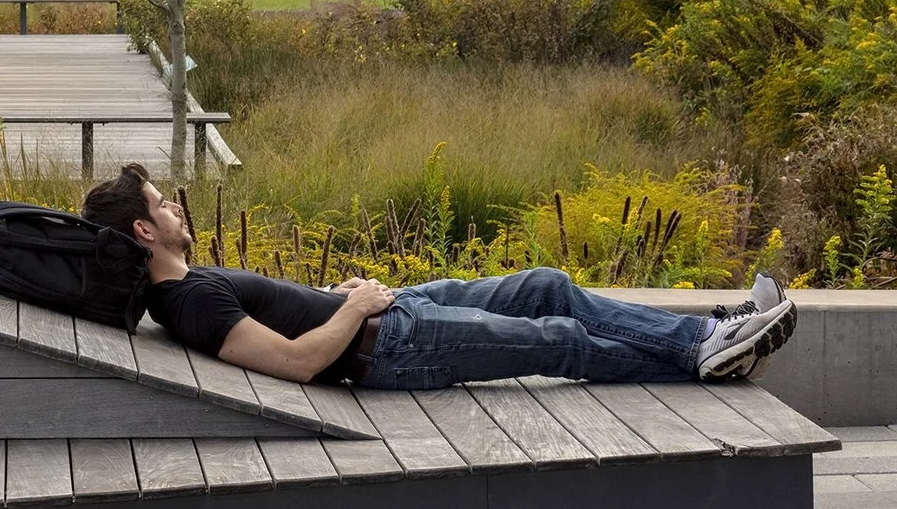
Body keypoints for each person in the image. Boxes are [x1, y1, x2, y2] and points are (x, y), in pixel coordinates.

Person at [78, 163, 796, 388]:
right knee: (556, 339)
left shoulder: (184, 289)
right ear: (145, 232)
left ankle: (707, 335)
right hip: (389, 343)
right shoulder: (189, 300)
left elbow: (288, 324)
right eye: (160, 204)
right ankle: (705, 353)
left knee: (546, 283)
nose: (174, 206)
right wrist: (355, 307)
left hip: (393, 314)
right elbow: (296, 363)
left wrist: (344, 299)